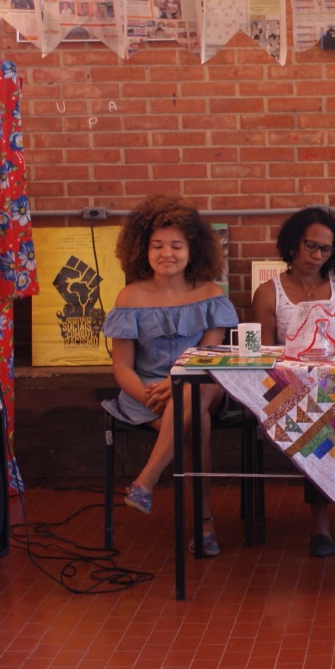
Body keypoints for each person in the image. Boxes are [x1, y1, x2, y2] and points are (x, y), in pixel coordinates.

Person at [107, 196, 238, 557]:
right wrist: (150, 394)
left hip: (199, 383)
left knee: (201, 383)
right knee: (201, 423)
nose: (168, 253)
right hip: (147, 395)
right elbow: (121, 366)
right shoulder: (129, 297)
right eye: (157, 245)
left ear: (192, 249)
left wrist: (177, 382)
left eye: (177, 245)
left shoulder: (211, 294)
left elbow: (208, 357)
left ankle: (146, 480)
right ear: (142, 249)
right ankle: (204, 522)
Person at [252, 207, 335, 557]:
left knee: (330, 411)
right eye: (311, 246)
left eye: (326, 249)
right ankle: (320, 520)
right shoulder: (268, 292)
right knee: (318, 418)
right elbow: (264, 358)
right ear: (292, 244)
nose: (318, 256)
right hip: (293, 389)